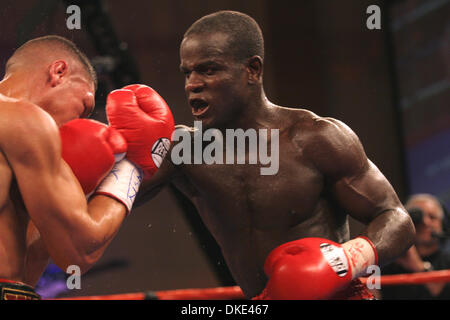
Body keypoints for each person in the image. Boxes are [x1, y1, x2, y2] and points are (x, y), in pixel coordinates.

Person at [125, 10, 415, 300]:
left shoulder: (315, 138)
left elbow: (396, 218)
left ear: (253, 70)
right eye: (187, 72)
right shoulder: (184, 151)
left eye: (209, 69)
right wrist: (117, 151)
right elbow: (110, 202)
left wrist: (347, 260)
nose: (192, 84)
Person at [0, 35, 174, 299]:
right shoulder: (27, 121)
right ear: (58, 72)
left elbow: (25, 271)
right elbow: (81, 250)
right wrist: (132, 168)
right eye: (84, 107)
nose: (79, 122)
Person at [380, 194, 450, 299]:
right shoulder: (389, 265)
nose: (425, 222)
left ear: (442, 224)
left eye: (432, 217)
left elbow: (443, 294)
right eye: (418, 217)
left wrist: (418, 266)